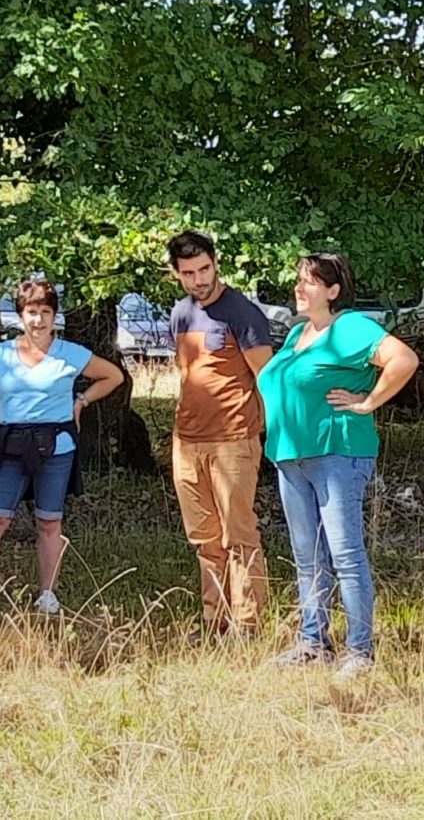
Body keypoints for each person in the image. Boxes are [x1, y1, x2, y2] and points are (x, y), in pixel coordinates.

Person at [257, 253, 421, 681]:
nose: (300, 287)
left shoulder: (349, 327)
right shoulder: (299, 334)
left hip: (337, 451)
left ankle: (360, 650)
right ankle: (313, 642)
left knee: (345, 554)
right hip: (290, 455)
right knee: (307, 555)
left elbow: (404, 359)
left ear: (332, 291)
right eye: (298, 279)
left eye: (310, 281)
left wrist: (368, 403)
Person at [0, 276, 124, 616]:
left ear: (55, 316)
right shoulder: (0, 355)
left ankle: (47, 595)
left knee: (49, 522)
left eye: (45, 311)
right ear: (20, 315)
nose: (38, 319)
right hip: (13, 445)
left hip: (56, 447)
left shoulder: (70, 354)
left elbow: (113, 376)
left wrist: (81, 401)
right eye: (30, 311)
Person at [165, 231, 275, 640]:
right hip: (187, 441)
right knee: (204, 538)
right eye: (189, 273)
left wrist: (267, 433)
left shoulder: (242, 313)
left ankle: (247, 624)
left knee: (239, 534)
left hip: (234, 439)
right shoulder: (180, 314)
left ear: (216, 262)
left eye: (205, 269)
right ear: (176, 274)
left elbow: (267, 378)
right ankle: (215, 619)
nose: (199, 279)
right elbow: (186, 373)